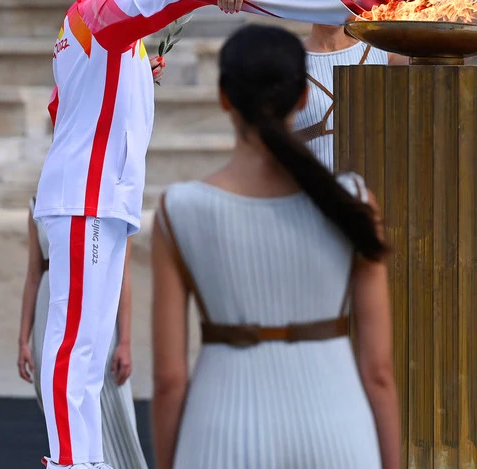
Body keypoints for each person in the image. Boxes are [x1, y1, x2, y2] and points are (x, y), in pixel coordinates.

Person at [31, 0, 248, 469]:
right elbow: (151, 4)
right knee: (72, 345)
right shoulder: (91, 14)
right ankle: (69, 462)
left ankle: (85, 458)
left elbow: (63, 109)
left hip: (102, 198)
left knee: (89, 348)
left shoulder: (103, 33)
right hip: (85, 199)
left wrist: (130, 79)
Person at [149, 25, 400, 469]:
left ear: (224, 97)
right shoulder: (354, 201)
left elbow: (169, 379)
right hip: (337, 431)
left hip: (220, 433)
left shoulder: (179, 210)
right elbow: (379, 372)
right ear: (304, 97)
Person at [292, 0, 477, 170]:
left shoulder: (379, 51)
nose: (335, 3)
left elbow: (450, 62)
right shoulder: (289, 59)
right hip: (305, 189)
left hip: (368, 190)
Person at [17, 198, 148, 469]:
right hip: (51, 300)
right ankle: (75, 459)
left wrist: (125, 341)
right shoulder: (38, 203)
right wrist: (23, 339)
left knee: (105, 391)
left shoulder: (115, 201)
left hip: (96, 294)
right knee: (58, 391)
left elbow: (122, 275)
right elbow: (33, 273)